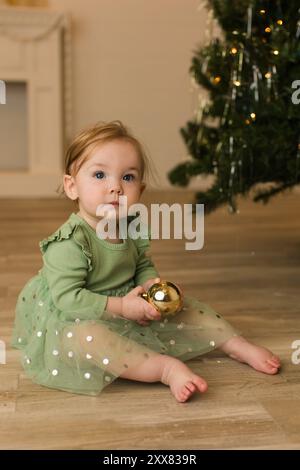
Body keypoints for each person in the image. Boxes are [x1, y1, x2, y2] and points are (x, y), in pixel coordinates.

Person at [11, 121, 281, 403]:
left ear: (140, 189)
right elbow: (69, 299)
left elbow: (141, 264)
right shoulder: (69, 243)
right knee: (84, 338)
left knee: (188, 309)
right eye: (100, 174)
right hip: (78, 311)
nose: (115, 187)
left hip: (127, 300)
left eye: (127, 178)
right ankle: (163, 368)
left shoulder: (130, 225)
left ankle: (236, 345)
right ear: (72, 186)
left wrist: (151, 285)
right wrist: (122, 308)